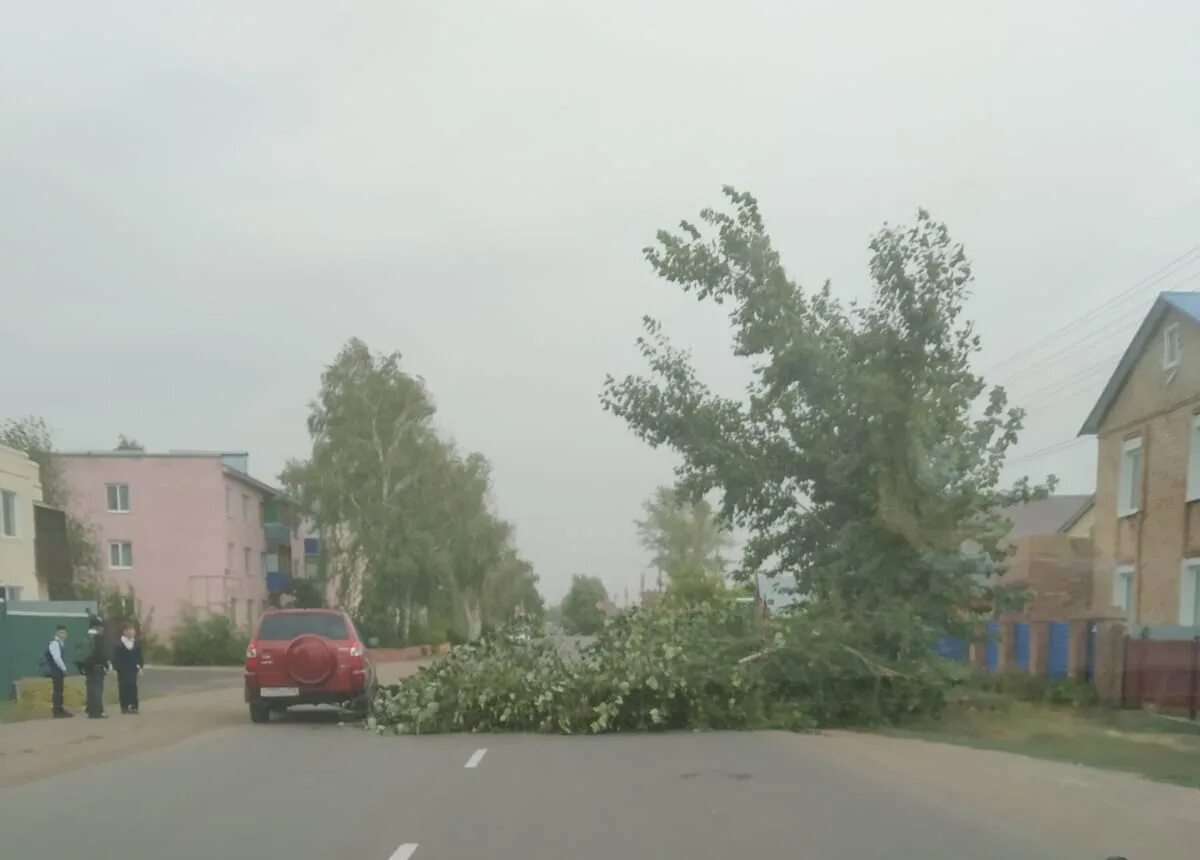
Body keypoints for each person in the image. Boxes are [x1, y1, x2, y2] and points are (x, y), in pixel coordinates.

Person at [75, 613, 109, 719]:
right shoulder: (98, 638)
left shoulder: (85, 636)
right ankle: (97, 711)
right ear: (97, 626)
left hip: (87, 667)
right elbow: (101, 654)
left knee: (90, 688)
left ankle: (90, 710)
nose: (102, 629)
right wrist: (106, 665)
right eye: (101, 626)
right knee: (97, 689)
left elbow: (80, 652)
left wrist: (81, 666)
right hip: (97, 667)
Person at [111, 623, 144, 714]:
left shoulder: (136, 643)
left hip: (132, 668)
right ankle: (125, 707)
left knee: (133, 687)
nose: (133, 632)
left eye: (133, 630)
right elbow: (116, 658)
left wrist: (140, 667)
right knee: (123, 687)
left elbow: (139, 657)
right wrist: (115, 669)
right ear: (125, 631)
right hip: (122, 669)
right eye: (130, 630)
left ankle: (133, 706)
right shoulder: (119, 644)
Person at [42, 625, 73, 718]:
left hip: (58, 670)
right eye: (61, 632)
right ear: (57, 633)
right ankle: (57, 710)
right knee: (57, 690)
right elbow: (57, 658)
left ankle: (60, 708)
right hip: (55, 670)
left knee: (59, 690)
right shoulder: (55, 643)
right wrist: (64, 669)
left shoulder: (61, 643)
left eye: (64, 632)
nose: (63, 634)